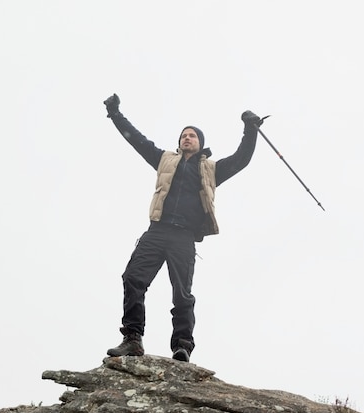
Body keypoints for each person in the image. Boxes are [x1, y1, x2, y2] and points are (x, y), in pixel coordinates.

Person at [103, 93, 263, 362]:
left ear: (200, 143)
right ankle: (132, 338)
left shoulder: (211, 169)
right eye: (183, 135)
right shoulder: (165, 159)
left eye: (192, 135)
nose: (186, 138)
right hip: (157, 230)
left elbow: (242, 159)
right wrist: (115, 113)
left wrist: (251, 128)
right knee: (132, 279)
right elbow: (137, 140)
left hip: (184, 237)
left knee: (182, 293)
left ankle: (182, 345)